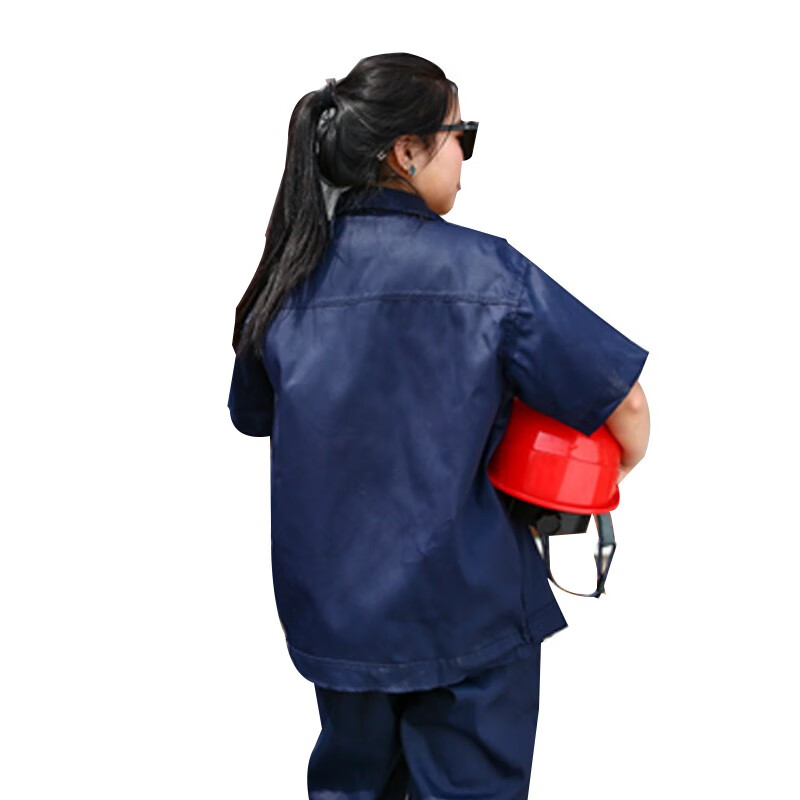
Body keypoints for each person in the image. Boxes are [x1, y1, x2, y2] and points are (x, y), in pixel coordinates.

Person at [227, 53, 650, 800]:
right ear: (407, 150)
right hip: (470, 616)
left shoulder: (287, 281)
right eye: (463, 136)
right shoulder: (489, 273)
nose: (465, 159)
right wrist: (611, 473)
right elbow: (629, 406)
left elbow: (251, 414)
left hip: (340, 626)